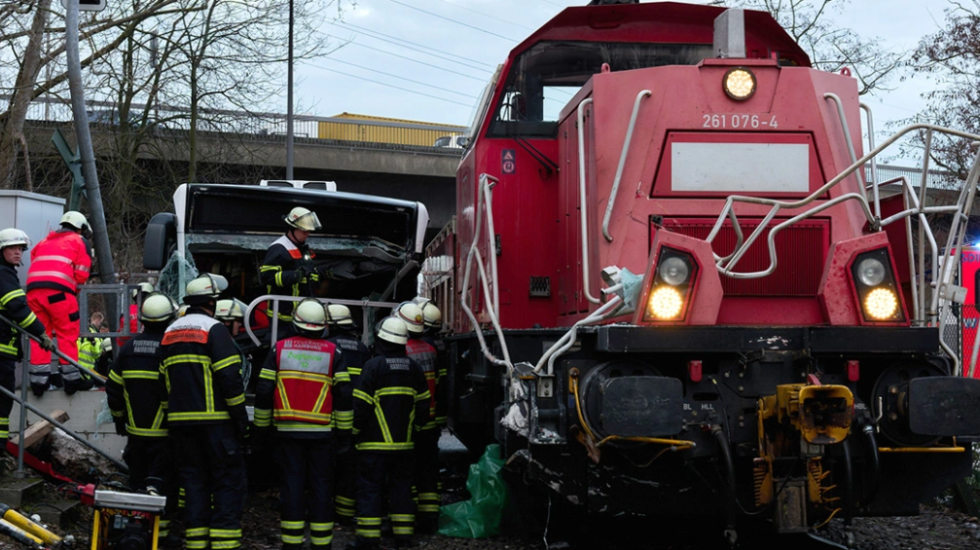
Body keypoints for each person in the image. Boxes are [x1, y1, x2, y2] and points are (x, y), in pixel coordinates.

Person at [254, 298, 351, 550]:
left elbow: (264, 390)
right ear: (323, 326)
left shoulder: (279, 349)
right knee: (321, 488)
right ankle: (321, 544)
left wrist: (261, 431)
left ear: (296, 323)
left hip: (287, 434)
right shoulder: (334, 353)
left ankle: (292, 543)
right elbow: (344, 396)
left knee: (292, 488)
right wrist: (344, 436)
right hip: (322, 435)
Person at [159, 273, 247, 550]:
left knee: (193, 483)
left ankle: (196, 543)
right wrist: (240, 419)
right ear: (212, 302)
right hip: (216, 423)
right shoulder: (214, 329)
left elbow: (163, 381)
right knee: (224, 482)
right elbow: (229, 378)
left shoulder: (170, 332)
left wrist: (169, 415)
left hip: (179, 425)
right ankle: (224, 544)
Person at [105, 293, 180, 545]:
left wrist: (119, 420)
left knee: (137, 487)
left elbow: (113, 388)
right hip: (164, 436)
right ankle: (162, 537)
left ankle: (137, 536)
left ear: (144, 320)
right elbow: (173, 392)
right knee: (164, 487)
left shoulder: (128, 349)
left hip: (135, 436)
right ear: (170, 319)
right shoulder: (170, 349)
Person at [350, 316, 429, 550]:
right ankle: (403, 538)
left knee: (370, 491)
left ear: (381, 340)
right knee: (402, 489)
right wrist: (415, 430)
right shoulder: (414, 368)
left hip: (373, 446)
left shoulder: (373, 367)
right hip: (404, 446)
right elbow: (424, 405)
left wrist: (354, 433)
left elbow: (361, 406)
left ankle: (368, 539)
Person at [26, 211, 93, 396]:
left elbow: (36, 261)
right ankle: (72, 382)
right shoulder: (79, 241)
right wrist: (73, 291)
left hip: (33, 292)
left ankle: (38, 384)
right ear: (80, 228)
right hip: (59, 294)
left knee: (40, 336)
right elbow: (81, 273)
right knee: (67, 333)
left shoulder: (43, 242)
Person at [0, 229, 55, 445]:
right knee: (3, 404)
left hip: (5, 352)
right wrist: (40, 332)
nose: (18, 252)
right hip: (2, 352)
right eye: (12, 248)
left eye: (20, 249)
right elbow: (17, 307)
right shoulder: (3, 274)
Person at [325, 303, 372, 525]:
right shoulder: (362, 349)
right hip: (356, 417)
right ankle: (344, 514)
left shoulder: (327, 346)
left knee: (326, 467)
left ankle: (325, 509)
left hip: (329, 416)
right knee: (350, 467)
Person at [400, 302, 443, 534]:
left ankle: (407, 517)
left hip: (409, 422)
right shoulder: (430, 350)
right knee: (428, 469)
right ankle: (430, 516)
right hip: (430, 419)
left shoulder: (403, 351)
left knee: (406, 470)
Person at [259, 207, 325, 338]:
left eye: (309, 230)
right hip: (283, 316)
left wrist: (320, 275)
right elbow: (267, 276)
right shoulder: (279, 248)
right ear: (292, 228)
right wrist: (293, 276)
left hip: (302, 314)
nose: (308, 234)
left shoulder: (302, 249)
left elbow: (308, 274)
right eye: (304, 230)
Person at [118, 282, 154, 346]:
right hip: (150, 345)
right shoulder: (153, 309)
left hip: (128, 347)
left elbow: (120, 337)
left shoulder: (127, 310)